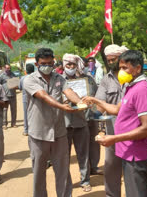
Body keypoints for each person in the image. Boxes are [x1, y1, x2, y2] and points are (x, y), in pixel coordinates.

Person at [83, 50, 147, 197]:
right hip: (128, 151)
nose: (120, 71)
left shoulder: (142, 89)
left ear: (138, 68)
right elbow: (116, 109)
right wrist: (95, 100)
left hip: (136, 153)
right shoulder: (130, 87)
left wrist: (114, 138)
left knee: (137, 193)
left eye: (125, 68)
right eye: (120, 67)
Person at [23, 48, 82, 197]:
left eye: (51, 63)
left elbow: (69, 92)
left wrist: (81, 103)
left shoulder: (59, 78)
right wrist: (62, 106)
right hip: (39, 133)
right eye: (44, 63)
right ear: (37, 64)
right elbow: (42, 96)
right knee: (39, 172)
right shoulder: (30, 80)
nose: (48, 66)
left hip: (59, 132)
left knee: (63, 170)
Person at [95, 44, 129, 197]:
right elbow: (99, 104)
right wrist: (89, 112)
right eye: (108, 60)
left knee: (131, 168)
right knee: (111, 167)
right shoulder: (105, 80)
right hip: (112, 131)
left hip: (133, 130)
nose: (111, 63)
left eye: (113, 59)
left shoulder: (134, 75)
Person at [62, 53, 97, 192]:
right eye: (68, 65)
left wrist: (88, 100)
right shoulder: (57, 80)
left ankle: (85, 181)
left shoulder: (86, 80)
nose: (71, 67)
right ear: (64, 65)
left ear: (77, 66)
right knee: (64, 156)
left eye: (73, 65)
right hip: (63, 124)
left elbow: (94, 96)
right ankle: (66, 182)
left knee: (83, 154)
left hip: (82, 122)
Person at [0, 64, 17, 129]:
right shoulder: (1, 76)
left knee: (14, 110)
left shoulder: (13, 75)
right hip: (5, 96)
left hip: (13, 95)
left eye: (9, 68)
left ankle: (13, 123)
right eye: (7, 68)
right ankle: (4, 124)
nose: (8, 69)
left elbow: (16, 84)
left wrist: (14, 84)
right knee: (5, 110)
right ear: (4, 68)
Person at [19, 64, 34, 136]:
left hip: (25, 98)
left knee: (26, 114)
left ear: (26, 71)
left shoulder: (22, 78)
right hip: (34, 98)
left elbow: (20, 88)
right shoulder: (35, 77)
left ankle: (26, 130)